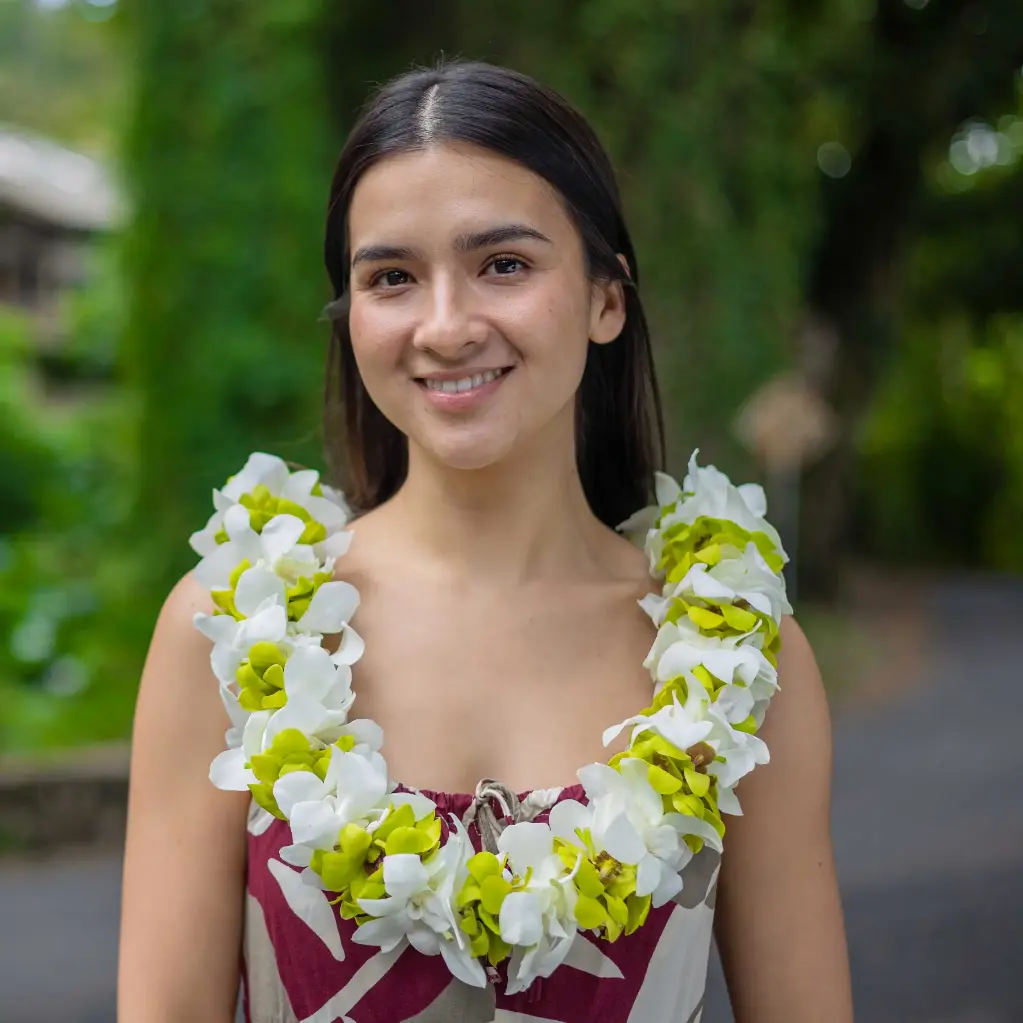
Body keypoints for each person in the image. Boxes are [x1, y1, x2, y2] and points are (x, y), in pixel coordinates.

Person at [118, 61, 853, 1023]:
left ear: (605, 301)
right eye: (391, 278)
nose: (445, 326)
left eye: (503, 265)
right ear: (351, 319)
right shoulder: (227, 633)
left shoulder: (742, 663)